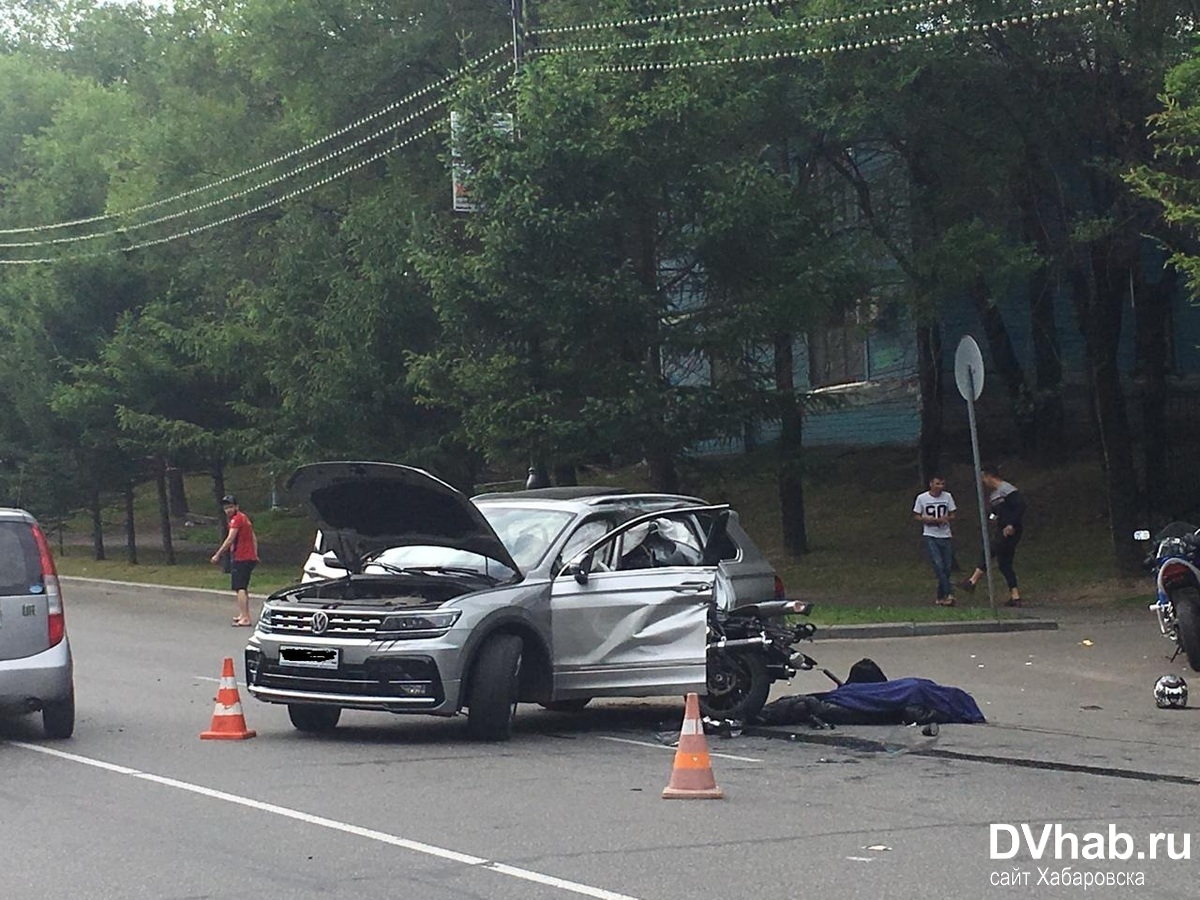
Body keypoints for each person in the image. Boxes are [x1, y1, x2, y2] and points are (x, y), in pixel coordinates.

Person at [960, 465, 1026, 607]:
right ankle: (1015, 597)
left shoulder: (1007, 489)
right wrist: (992, 517)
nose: (983, 481)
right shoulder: (994, 495)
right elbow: (995, 512)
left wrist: (1011, 524)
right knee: (1004, 564)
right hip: (1001, 528)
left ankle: (972, 581)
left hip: (1010, 530)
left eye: (984, 478)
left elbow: (1020, 506)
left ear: (990, 476)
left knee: (989, 550)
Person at [211, 494, 259, 626]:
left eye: (231, 507)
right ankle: (243, 614)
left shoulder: (236, 520)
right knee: (242, 586)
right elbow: (253, 537)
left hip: (241, 557)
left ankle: (245, 618)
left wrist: (218, 554)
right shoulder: (244, 518)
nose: (228, 510)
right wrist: (255, 554)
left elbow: (230, 539)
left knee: (240, 587)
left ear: (236, 507)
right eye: (226, 508)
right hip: (248, 556)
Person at [913, 474, 957, 607]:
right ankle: (949, 593)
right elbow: (916, 515)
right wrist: (928, 520)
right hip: (930, 534)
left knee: (947, 567)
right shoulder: (922, 498)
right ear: (931, 484)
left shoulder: (947, 496)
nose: (940, 487)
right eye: (937, 484)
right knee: (938, 564)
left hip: (945, 534)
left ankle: (940, 596)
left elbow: (953, 513)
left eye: (942, 484)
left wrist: (947, 518)